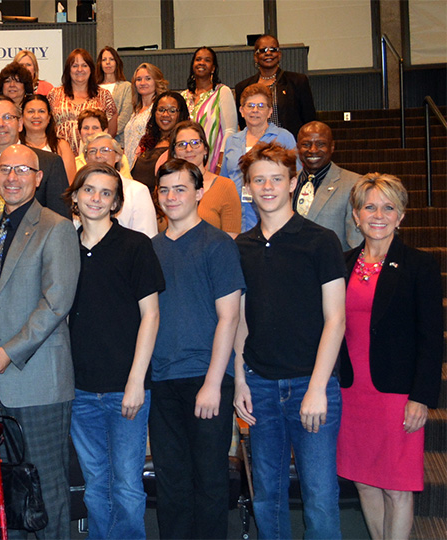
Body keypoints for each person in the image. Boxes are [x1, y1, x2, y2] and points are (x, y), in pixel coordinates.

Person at [232, 142, 346, 540]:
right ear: (247, 186)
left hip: (310, 385)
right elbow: (240, 319)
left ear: (293, 182)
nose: (267, 187)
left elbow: (336, 319)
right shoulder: (241, 247)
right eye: (258, 179)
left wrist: (317, 388)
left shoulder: (321, 240)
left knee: (319, 497)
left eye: (276, 179)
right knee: (267, 495)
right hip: (260, 385)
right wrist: (241, 379)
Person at [0, 144, 79, 540]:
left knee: (46, 487)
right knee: (5, 491)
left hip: (38, 381)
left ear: (38, 177)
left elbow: (56, 304)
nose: (12, 177)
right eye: (5, 169)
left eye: (23, 169)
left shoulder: (57, 226)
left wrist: (6, 354)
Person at [338, 174, 444, 539]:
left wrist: (421, 397)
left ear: (401, 216)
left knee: (397, 487)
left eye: (388, 207)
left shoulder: (419, 265)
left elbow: (432, 339)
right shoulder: (344, 263)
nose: (378, 215)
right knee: (365, 482)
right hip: (352, 394)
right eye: (369, 207)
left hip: (398, 395)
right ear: (356, 215)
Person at [65, 162, 164, 540]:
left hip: (127, 387)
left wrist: (137, 380)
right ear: (75, 195)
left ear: (116, 202)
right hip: (80, 390)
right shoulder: (65, 246)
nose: (96, 198)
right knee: (95, 486)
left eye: (106, 193)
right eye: (89, 190)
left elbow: (151, 316)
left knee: (126, 485)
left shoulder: (135, 245)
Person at [149, 158, 244, 539]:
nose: (172, 197)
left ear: (200, 193)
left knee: (208, 480)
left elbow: (230, 317)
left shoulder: (217, 244)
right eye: (165, 190)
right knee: (170, 482)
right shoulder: (151, 248)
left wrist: (213, 381)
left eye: (181, 189)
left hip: (207, 380)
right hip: (162, 380)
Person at [0, 96, 70, 228]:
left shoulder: (49, 164)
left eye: (7, 117)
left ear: (20, 124)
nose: (1, 124)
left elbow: (62, 223)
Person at [221, 83, 297, 233]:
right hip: (237, 219)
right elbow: (224, 181)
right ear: (241, 111)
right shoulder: (231, 141)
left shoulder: (284, 137)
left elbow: (296, 178)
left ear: (269, 112)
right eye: (250, 105)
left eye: (261, 106)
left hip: (274, 217)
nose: (255, 110)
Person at [294, 121, 363, 250]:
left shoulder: (353, 184)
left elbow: (356, 242)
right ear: (297, 148)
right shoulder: (286, 183)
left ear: (332, 147)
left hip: (331, 267)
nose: (313, 150)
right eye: (306, 144)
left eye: (321, 144)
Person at [167, 120, 241, 237]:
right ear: (174, 153)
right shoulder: (165, 189)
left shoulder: (225, 186)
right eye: (182, 144)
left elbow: (231, 240)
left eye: (195, 143)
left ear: (205, 149)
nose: (189, 149)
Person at [234, 35, 317, 137]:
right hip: (257, 146)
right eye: (263, 50)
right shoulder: (243, 87)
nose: (268, 53)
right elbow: (243, 123)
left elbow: (309, 120)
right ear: (256, 57)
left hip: (289, 146)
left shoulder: (297, 81)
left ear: (279, 55)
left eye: (273, 50)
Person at [83, 132, 157, 238]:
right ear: (86, 159)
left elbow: (147, 236)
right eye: (92, 151)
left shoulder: (137, 191)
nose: (98, 156)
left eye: (105, 150)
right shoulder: (81, 192)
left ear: (117, 156)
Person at [47, 49, 117, 157]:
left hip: (93, 156)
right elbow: (47, 125)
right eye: (75, 66)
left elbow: (111, 131)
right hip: (60, 156)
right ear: (68, 70)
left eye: (84, 65)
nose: (80, 69)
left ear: (91, 69)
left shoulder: (104, 95)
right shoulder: (54, 94)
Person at [183, 47, 237, 175]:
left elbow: (230, 131)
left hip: (213, 165)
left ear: (213, 68)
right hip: (187, 165)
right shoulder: (183, 96)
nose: (201, 63)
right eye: (198, 59)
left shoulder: (222, 92)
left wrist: (220, 164)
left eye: (207, 60)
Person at [132, 91, 189, 190]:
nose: (165, 114)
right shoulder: (146, 141)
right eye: (161, 110)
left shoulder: (184, 145)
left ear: (181, 114)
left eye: (172, 111)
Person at [21, 94, 77, 184]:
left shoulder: (61, 146)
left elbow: (70, 184)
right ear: (22, 117)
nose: (36, 116)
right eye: (31, 111)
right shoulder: (15, 146)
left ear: (49, 118)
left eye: (41, 111)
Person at [123, 63, 169, 169]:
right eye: (139, 79)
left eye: (148, 78)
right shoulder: (136, 110)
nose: (142, 83)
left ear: (156, 81)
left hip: (147, 165)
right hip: (129, 166)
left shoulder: (159, 109)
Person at [96, 46, 133, 147]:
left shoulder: (126, 87)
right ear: (100, 64)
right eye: (104, 60)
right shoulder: (93, 88)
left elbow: (126, 115)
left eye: (111, 59)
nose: (108, 62)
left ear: (117, 63)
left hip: (118, 143)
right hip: (95, 142)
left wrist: (108, 135)